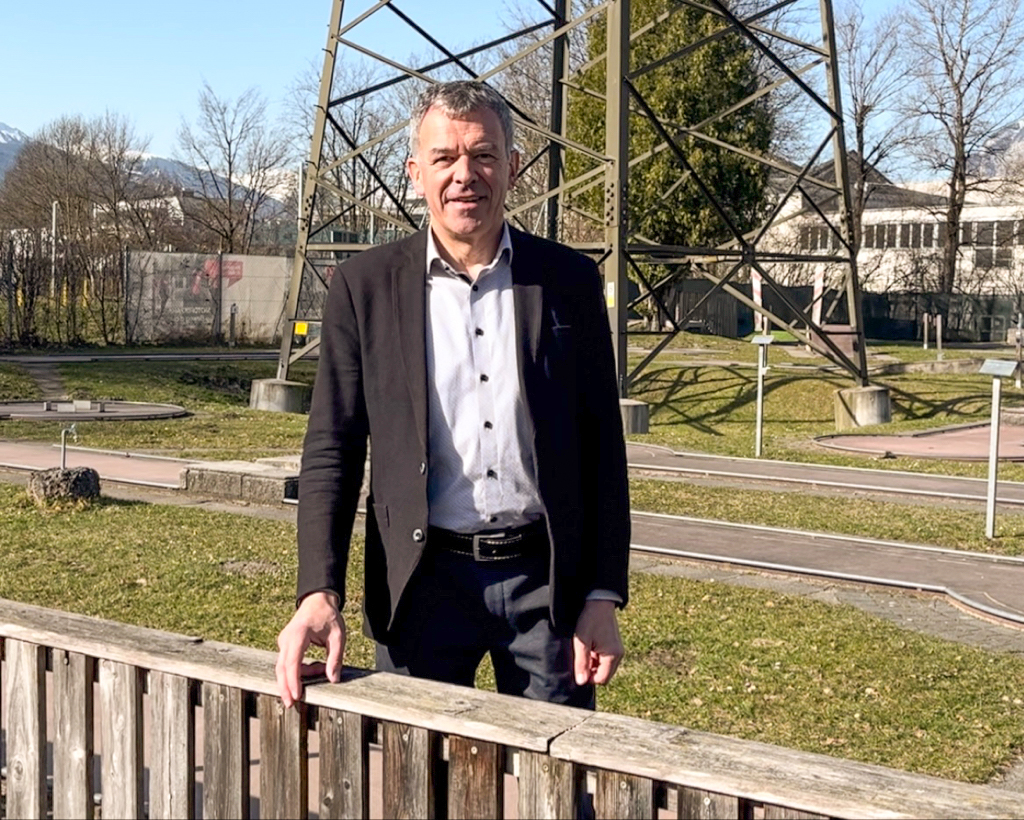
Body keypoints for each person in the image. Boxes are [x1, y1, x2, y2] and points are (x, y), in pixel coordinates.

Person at [276, 81, 630, 710]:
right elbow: (332, 449)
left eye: (484, 155)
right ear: (415, 173)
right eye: (444, 158)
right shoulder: (364, 288)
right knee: (420, 787)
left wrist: (602, 593)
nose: (465, 175)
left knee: (557, 788)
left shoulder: (568, 281)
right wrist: (317, 593)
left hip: (546, 588)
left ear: (512, 167)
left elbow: (603, 445)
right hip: (422, 586)